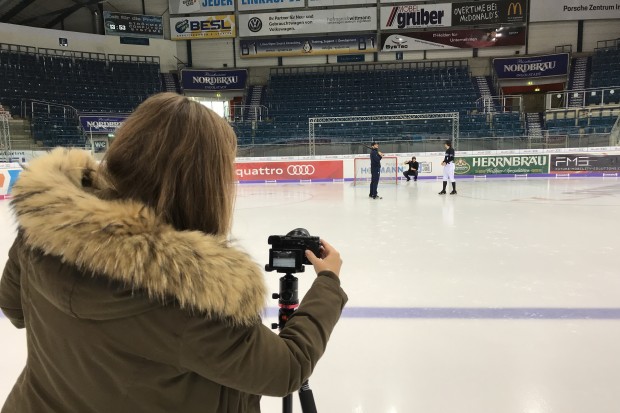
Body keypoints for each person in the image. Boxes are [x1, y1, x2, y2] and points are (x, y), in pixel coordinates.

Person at [0, 93, 347, 413]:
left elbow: (15, 309)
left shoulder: (43, 231)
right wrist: (328, 283)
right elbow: (285, 369)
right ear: (203, 185)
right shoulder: (194, 296)